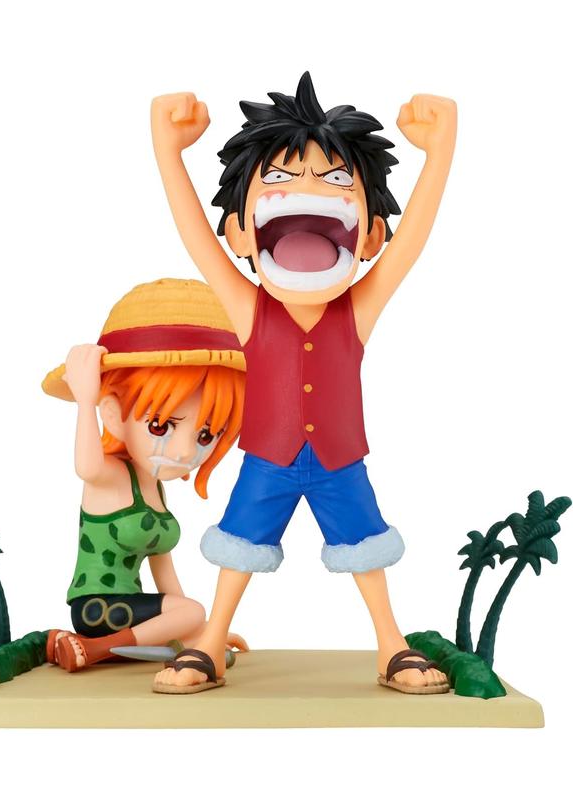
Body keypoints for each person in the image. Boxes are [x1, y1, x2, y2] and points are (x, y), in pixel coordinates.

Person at [150, 72, 456, 694]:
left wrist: (441, 151)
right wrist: (166, 150)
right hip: (268, 458)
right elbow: (195, 240)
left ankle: (390, 645)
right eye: (280, 179)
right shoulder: (250, 309)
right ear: (240, 230)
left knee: (366, 549)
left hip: (341, 461)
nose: (309, 191)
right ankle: (211, 642)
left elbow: (412, 244)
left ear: (370, 234)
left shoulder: (357, 311)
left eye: (337, 180)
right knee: (239, 548)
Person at [42, 278, 246, 673]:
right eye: (161, 425)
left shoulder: (151, 487)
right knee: (194, 610)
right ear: (113, 413)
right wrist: (85, 402)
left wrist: (199, 633)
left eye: (206, 434)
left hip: (132, 610)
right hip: (97, 608)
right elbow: (85, 466)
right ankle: (95, 649)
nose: (185, 451)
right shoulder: (111, 476)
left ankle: (105, 647)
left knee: (193, 612)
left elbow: (164, 574)